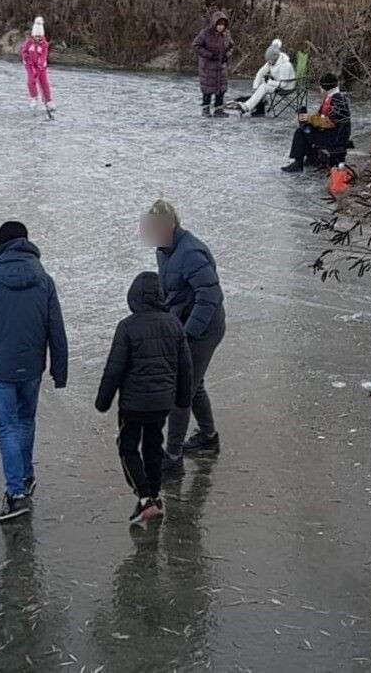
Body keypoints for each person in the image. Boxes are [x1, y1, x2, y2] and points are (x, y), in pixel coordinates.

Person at [0, 220, 68, 522]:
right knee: (25, 421)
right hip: (31, 368)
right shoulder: (43, 279)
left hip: (0, 369)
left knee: (7, 426)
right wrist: (59, 370)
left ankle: (16, 493)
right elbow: (56, 329)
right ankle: (26, 475)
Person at [95, 272, 194, 525]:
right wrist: (183, 399)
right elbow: (186, 366)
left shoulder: (127, 326)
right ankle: (155, 496)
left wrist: (103, 400)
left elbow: (114, 368)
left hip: (133, 404)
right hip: (162, 403)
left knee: (127, 447)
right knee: (153, 445)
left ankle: (145, 499)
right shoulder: (174, 325)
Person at [139, 200, 226, 480]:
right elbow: (172, 291)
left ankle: (173, 457)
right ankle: (208, 437)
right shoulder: (164, 250)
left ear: (171, 224)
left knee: (181, 390)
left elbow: (210, 296)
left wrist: (188, 334)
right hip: (184, 326)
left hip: (204, 330)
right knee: (193, 383)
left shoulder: (190, 253)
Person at [281, 72, 352, 172]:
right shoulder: (332, 97)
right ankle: (311, 158)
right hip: (333, 133)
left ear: (325, 87)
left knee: (300, 132)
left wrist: (309, 118)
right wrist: (306, 118)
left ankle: (298, 163)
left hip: (336, 137)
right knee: (305, 128)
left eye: (321, 86)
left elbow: (330, 123)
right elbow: (321, 116)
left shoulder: (337, 99)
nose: (320, 88)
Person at [234, 38, 296, 116]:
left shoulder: (285, 65)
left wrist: (270, 82)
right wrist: (255, 87)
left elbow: (284, 84)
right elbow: (260, 72)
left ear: (275, 58)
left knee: (264, 87)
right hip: (277, 85)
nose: (268, 62)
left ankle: (246, 107)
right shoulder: (271, 62)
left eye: (270, 60)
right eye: (268, 60)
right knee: (262, 83)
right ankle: (259, 109)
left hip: (287, 87)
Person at [191, 10, 234, 117]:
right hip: (207, 67)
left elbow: (232, 46)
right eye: (219, 24)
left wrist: (227, 55)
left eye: (223, 25)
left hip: (221, 67)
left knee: (221, 90)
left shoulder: (227, 34)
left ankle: (219, 110)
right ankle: (205, 110)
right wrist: (209, 55)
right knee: (207, 89)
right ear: (214, 23)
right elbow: (196, 45)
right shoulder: (205, 33)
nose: (220, 27)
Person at [20, 16, 54, 116]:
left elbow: (43, 56)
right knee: (31, 81)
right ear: (33, 35)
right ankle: (33, 97)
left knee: (44, 83)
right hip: (30, 66)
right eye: (36, 36)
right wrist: (28, 61)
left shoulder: (44, 44)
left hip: (41, 66)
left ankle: (48, 101)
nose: (38, 38)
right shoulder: (28, 43)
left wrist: (40, 64)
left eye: (40, 36)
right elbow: (24, 53)